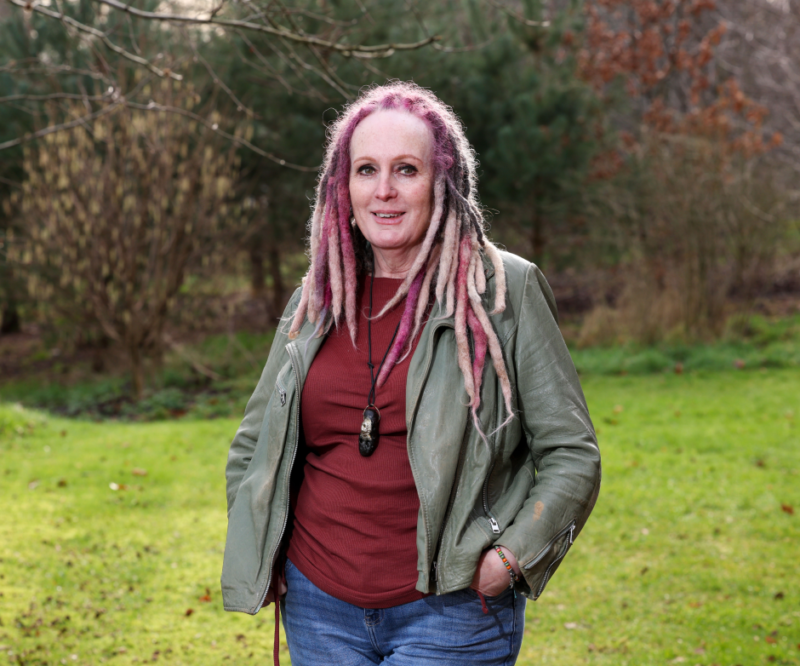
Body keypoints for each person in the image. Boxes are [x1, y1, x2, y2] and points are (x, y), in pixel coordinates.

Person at [221, 82, 601, 666]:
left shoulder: (504, 291)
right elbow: (254, 446)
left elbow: (571, 452)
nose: (384, 191)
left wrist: (512, 558)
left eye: (406, 169)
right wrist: (262, 545)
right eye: (366, 170)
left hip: (452, 612)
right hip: (318, 606)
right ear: (343, 187)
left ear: (443, 181)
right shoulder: (316, 300)